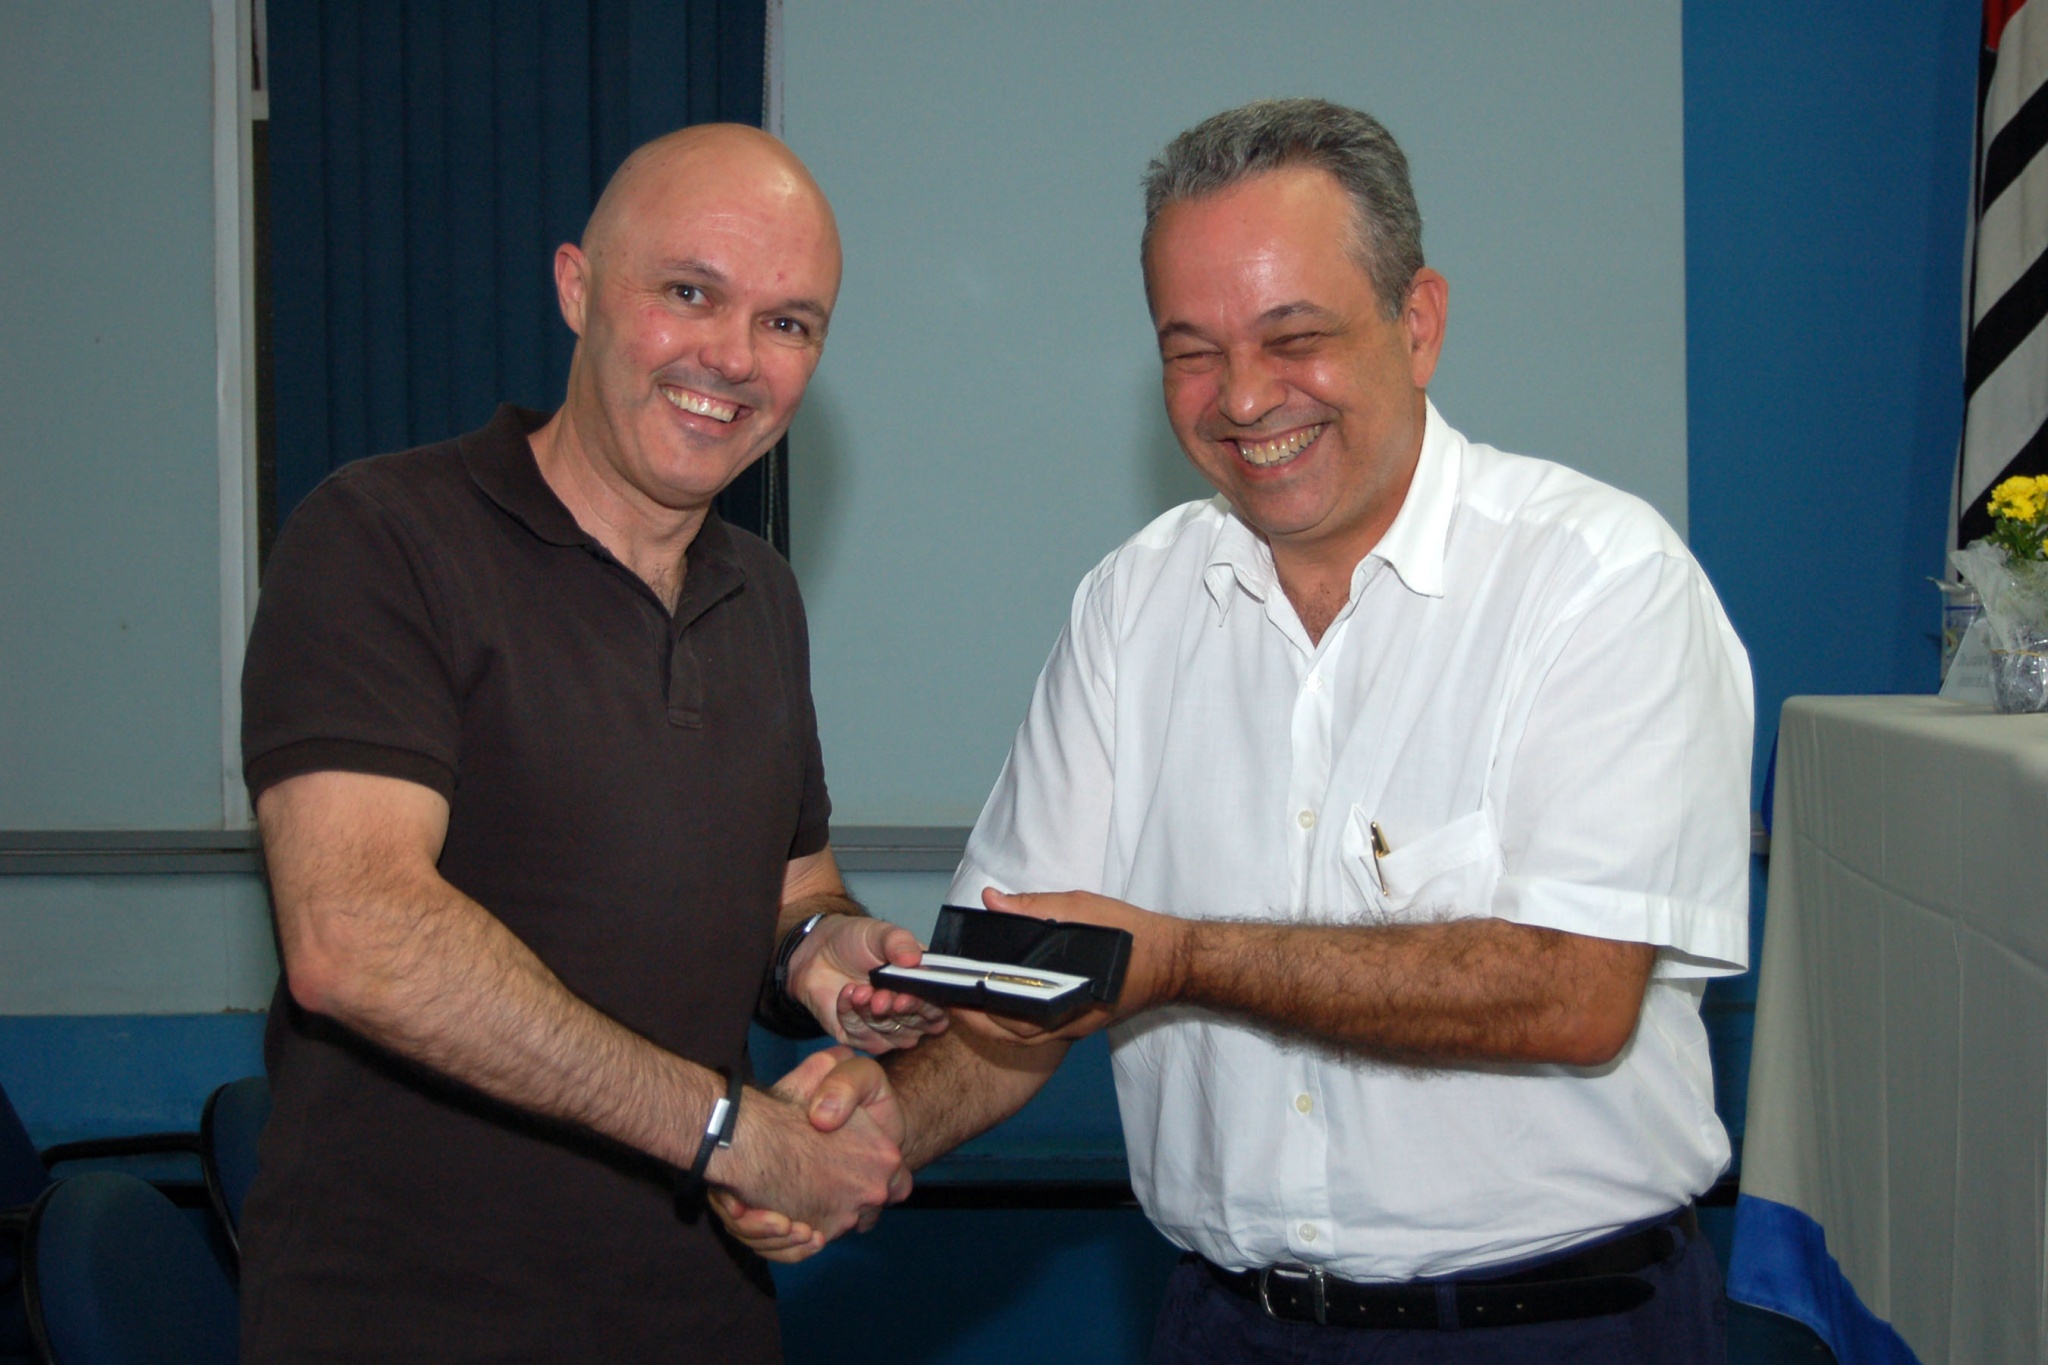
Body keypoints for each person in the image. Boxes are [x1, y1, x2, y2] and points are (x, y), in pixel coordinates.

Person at [725, 98, 1752, 1363]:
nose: (1244, 397)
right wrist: (859, 1119)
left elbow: (1571, 994)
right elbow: (1024, 1004)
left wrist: (1177, 959)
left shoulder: (1600, 580)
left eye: (1294, 336)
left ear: (1416, 322)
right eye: (1191, 350)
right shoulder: (1130, 606)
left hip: (1559, 1329)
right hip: (1224, 1326)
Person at [238, 124, 942, 1364]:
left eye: (788, 323)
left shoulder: (761, 597)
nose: (731, 358)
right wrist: (728, 1130)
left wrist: (832, 957)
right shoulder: (382, 537)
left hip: (699, 1316)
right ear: (574, 287)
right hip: (406, 1327)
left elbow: (792, 888)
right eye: (688, 294)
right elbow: (356, 938)